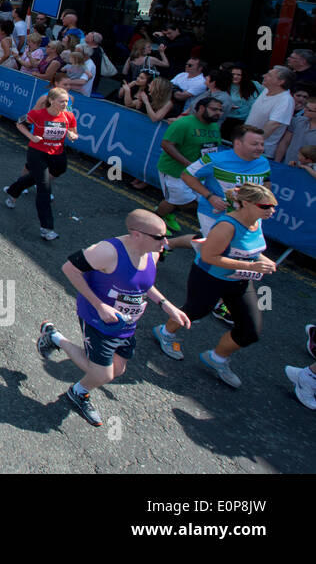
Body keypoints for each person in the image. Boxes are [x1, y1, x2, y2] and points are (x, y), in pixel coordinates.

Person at [38, 209, 188, 427]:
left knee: (118, 369)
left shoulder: (152, 253)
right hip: (99, 320)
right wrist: (99, 306)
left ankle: (73, 382)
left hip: (126, 324)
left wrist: (167, 305)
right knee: (102, 374)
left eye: (165, 236)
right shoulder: (107, 252)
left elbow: (143, 285)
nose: (165, 242)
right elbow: (69, 269)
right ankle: (57, 343)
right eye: (159, 237)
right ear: (137, 234)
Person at [152, 184, 279, 389]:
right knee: (195, 312)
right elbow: (209, 256)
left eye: (273, 206)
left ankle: (217, 359)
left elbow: (251, 251)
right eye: (265, 206)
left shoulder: (257, 222)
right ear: (246, 203)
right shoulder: (227, 226)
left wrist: (264, 261)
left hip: (239, 281)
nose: (271, 211)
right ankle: (165, 332)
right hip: (209, 277)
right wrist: (252, 265)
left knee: (250, 331)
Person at [3, 87, 78, 242]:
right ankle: (47, 228)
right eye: (61, 101)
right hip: (37, 153)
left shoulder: (69, 116)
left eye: (66, 101)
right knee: (44, 188)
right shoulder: (37, 114)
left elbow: (74, 133)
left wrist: (72, 135)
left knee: (59, 170)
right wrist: (31, 136)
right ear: (51, 101)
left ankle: (13, 190)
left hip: (57, 154)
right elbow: (19, 123)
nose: (65, 104)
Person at [154, 95, 223, 234]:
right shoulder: (184, 123)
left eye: (220, 110)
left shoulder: (214, 126)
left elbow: (213, 148)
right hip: (175, 171)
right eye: (214, 109)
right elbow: (166, 144)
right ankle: (155, 221)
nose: (218, 113)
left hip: (199, 174)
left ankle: (167, 214)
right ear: (202, 108)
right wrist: (189, 164)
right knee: (180, 200)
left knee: (192, 200)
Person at [245, 65, 295, 159]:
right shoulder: (266, 90)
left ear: (280, 81)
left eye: (269, 75)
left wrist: (253, 142)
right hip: (247, 144)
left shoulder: (286, 100)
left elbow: (273, 124)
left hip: (260, 151)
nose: (264, 76)